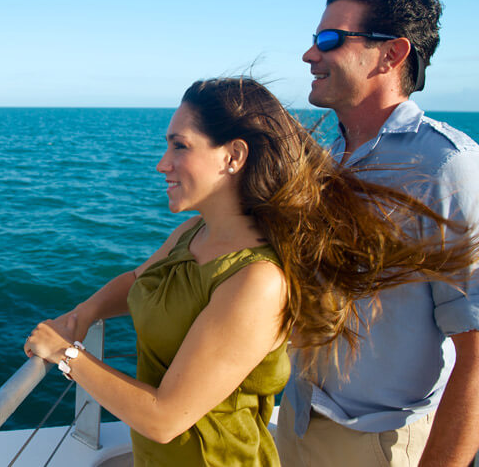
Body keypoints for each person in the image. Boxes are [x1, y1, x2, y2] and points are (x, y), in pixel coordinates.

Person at [24, 77, 476, 466]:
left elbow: (164, 418)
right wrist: (82, 314)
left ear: (233, 156)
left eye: (180, 146)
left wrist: (68, 355)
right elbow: (139, 281)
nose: (162, 163)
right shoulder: (191, 233)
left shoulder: (256, 279)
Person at [276, 0, 479, 467]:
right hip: (295, 422)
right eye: (313, 40)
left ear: (392, 54)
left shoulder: (445, 166)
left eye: (330, 40)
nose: (310, 55)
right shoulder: (325, 159)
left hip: (377, 443)